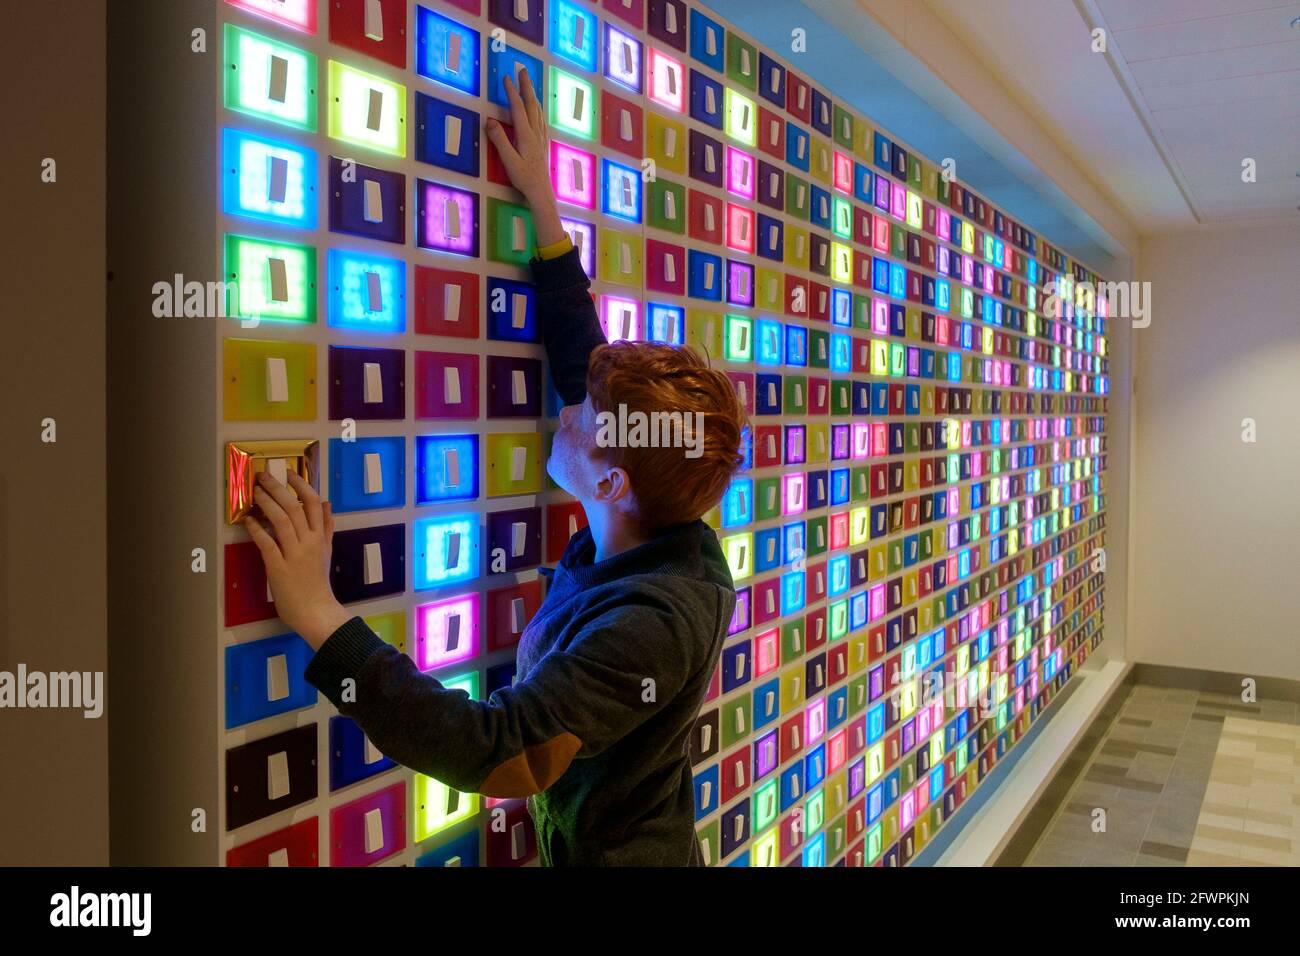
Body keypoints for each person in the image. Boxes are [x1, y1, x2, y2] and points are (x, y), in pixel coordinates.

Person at [244, 69, 748, 866]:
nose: (566, 410)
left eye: (582, 417)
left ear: (613, 482)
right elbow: (589, 364)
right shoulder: (655, 504)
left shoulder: (654, 624)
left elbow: (497, 749)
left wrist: (317, 614)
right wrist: (543, 206)